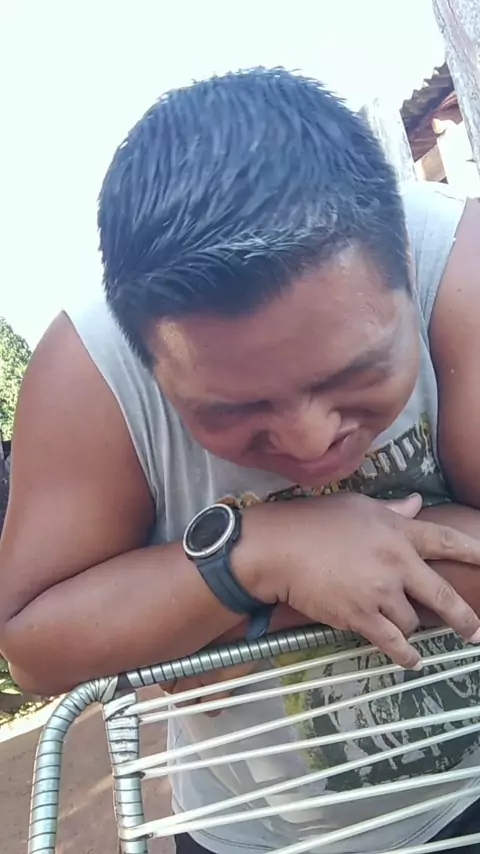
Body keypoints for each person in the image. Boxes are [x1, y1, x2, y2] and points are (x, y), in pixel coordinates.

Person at [1, 68, 480, 853]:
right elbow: (34, 642)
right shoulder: (89, 376)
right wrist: (259, 557)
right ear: (148, 357)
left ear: (405, 263)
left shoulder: (462, 268)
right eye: (233, 411)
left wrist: (219, 616)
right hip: (247, 835)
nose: (311, 441)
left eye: (354, 376)